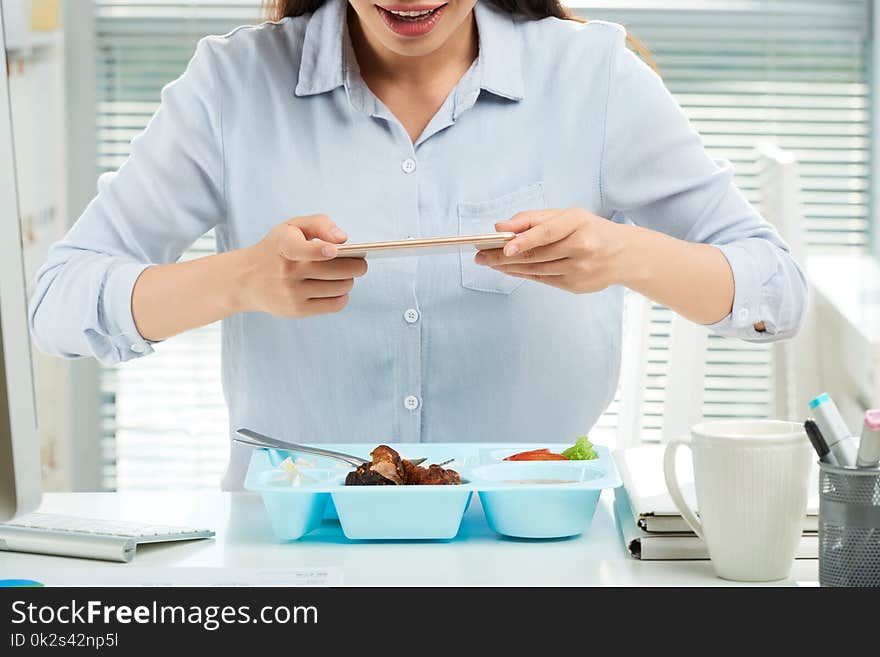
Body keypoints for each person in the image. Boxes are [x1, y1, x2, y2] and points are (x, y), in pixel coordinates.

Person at [29, 0, 807, 490]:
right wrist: (237, 280)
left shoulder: (594, 78)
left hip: (530, 551)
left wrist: (625, 257)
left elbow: (777, 290)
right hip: (292, 558)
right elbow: (57, 304)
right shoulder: (231, 85)